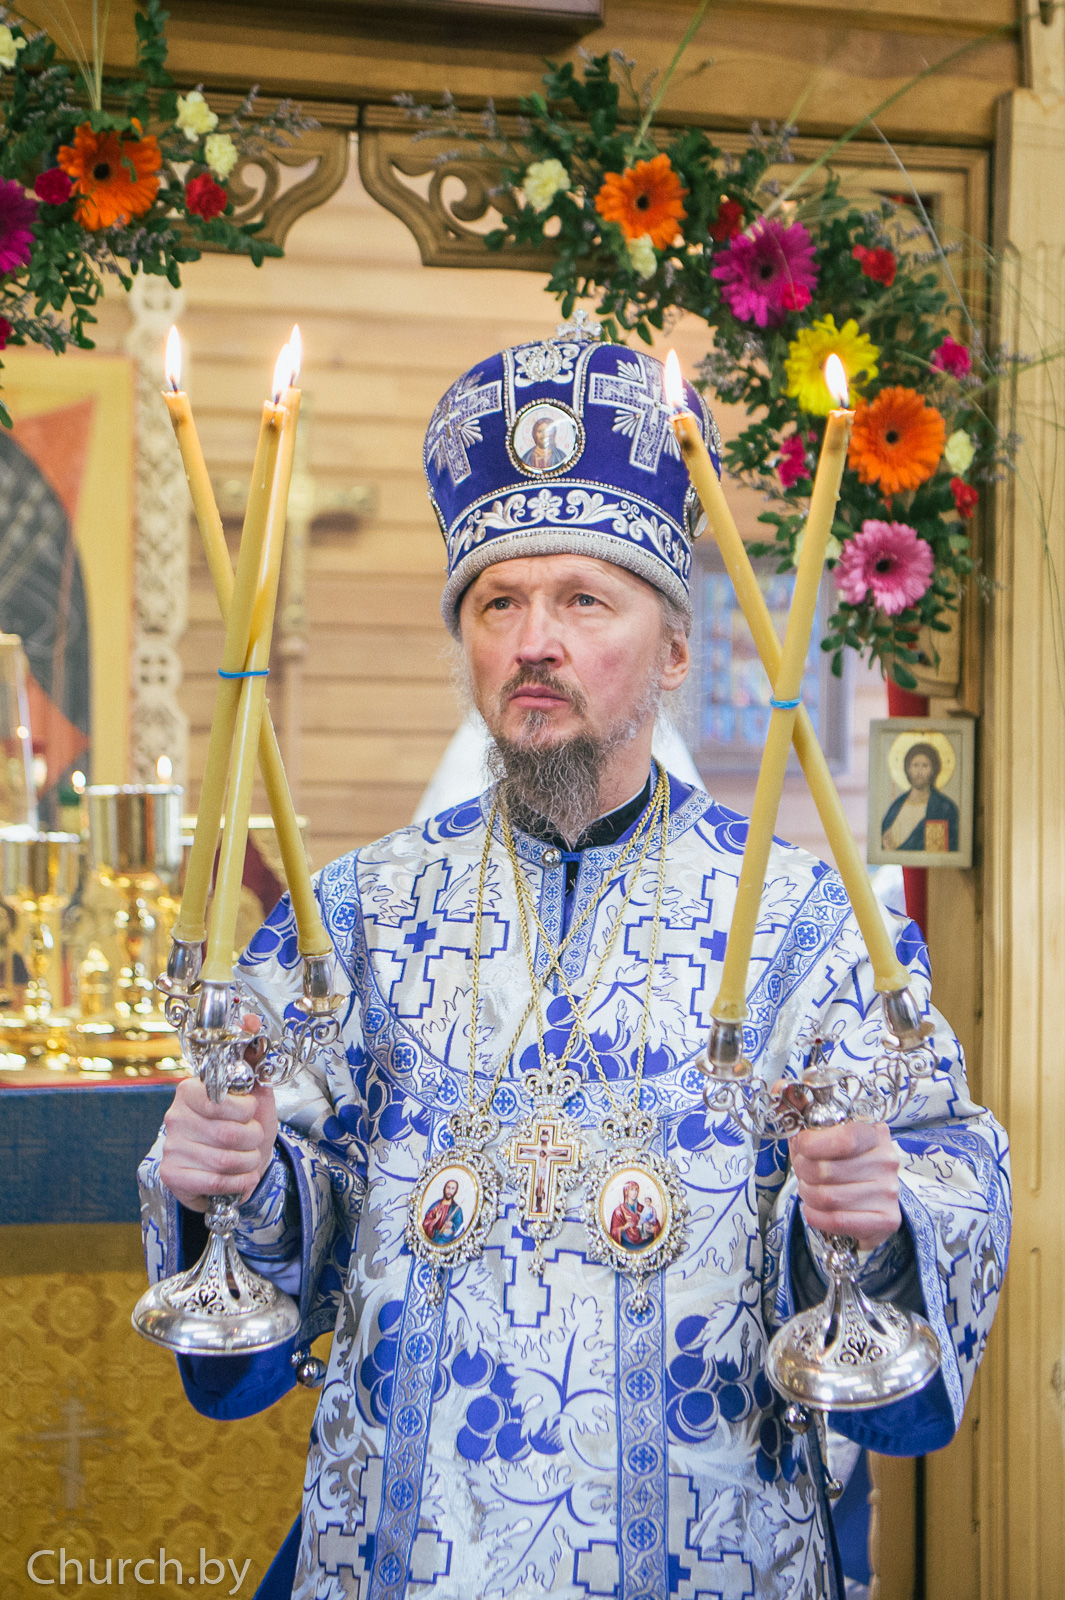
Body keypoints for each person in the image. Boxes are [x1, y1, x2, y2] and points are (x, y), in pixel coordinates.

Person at [139, 317, 1010, 1600]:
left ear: (673, 651)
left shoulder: (809, 924)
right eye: (499, 602)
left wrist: (879, 1214)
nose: (532, 639)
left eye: (582, 599)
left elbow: (945, 1159)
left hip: (709, 1549)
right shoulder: (354, 917)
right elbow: (269, 1271)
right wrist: (238, 1177)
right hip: (406, 1553)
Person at [881, 740, 960, 852]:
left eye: (925, 766)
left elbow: (942, 850)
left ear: (933, 770)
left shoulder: (943, 807)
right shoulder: (896, 806)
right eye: (915, 765)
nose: (919, 771)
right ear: (908, 769)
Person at [421, 1177, 463, 1243]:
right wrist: (435, 1220)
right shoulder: (435, 1205)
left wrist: (452, 1225)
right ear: (444, 1188)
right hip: (433, 1237)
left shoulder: (457, 1210)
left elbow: (459, 1228)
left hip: (446, 1239)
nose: (449, 1191)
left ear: (455, 1191)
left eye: (453, 1188)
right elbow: (425, 1224)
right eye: (448, 1187)